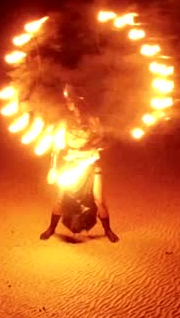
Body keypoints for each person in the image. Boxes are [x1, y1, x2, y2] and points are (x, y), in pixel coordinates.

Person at [39, 88, 120, 242]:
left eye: (78, 103)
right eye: (72, 104)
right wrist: (52, 168)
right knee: (60, 199)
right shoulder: (64, 123)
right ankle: (51, 228)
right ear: (69, 105)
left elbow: (105, 141)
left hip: (90, 164)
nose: (75, 107)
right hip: (71, 165)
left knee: (99, 199)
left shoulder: (93, 121)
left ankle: (108, 230)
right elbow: (56, 146)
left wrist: (92, 147)